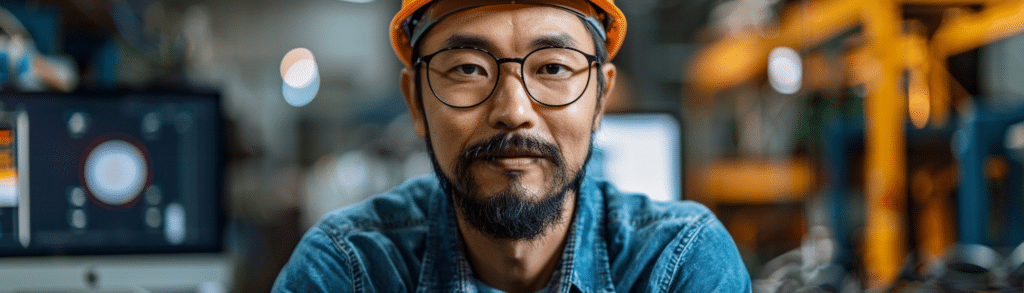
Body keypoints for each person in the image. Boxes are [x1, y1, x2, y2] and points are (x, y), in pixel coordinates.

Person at [273, 0, 751, 291]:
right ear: (415, 103)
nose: (514, 110)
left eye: (553, 68)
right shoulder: (349, 269)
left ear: (601, 99)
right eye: (467, 69)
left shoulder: (676, 265)